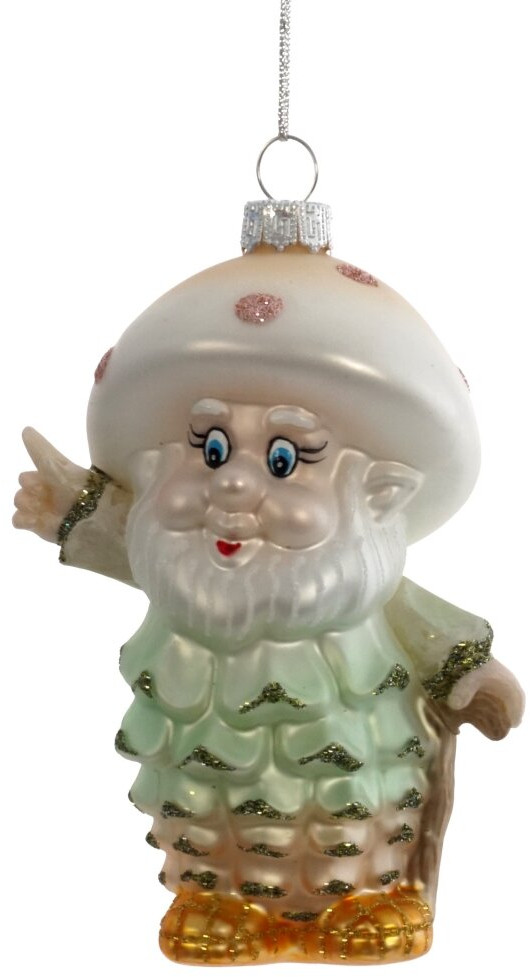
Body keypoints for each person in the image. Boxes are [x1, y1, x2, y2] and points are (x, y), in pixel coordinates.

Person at [14, 217, 524, 965]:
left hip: (360, 794)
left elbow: (431, 630)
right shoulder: (182, 572)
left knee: (358, 800)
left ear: (378, 492)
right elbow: (139, 546)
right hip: (203, 783)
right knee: (200, 802)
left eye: (284, 459)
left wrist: (472, 672)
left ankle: (369, 896)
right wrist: (73, 512)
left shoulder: (366, 586)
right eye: (212, 449)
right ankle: (217, 899)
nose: (233, 486)